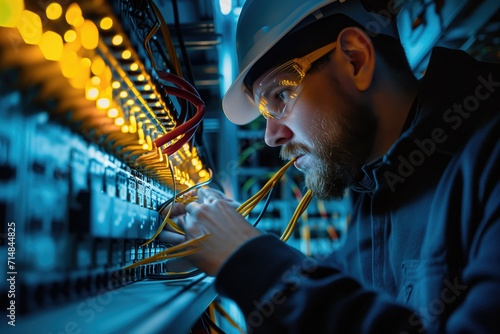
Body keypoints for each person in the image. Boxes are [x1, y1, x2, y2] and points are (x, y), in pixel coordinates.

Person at [161, 0, 500, 332]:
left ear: (355, 58)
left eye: (280, 95)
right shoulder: (377, 188)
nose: (271, 137)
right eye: (265, 113)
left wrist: (249, 259)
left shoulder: (489, 155)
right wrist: (231, 237)